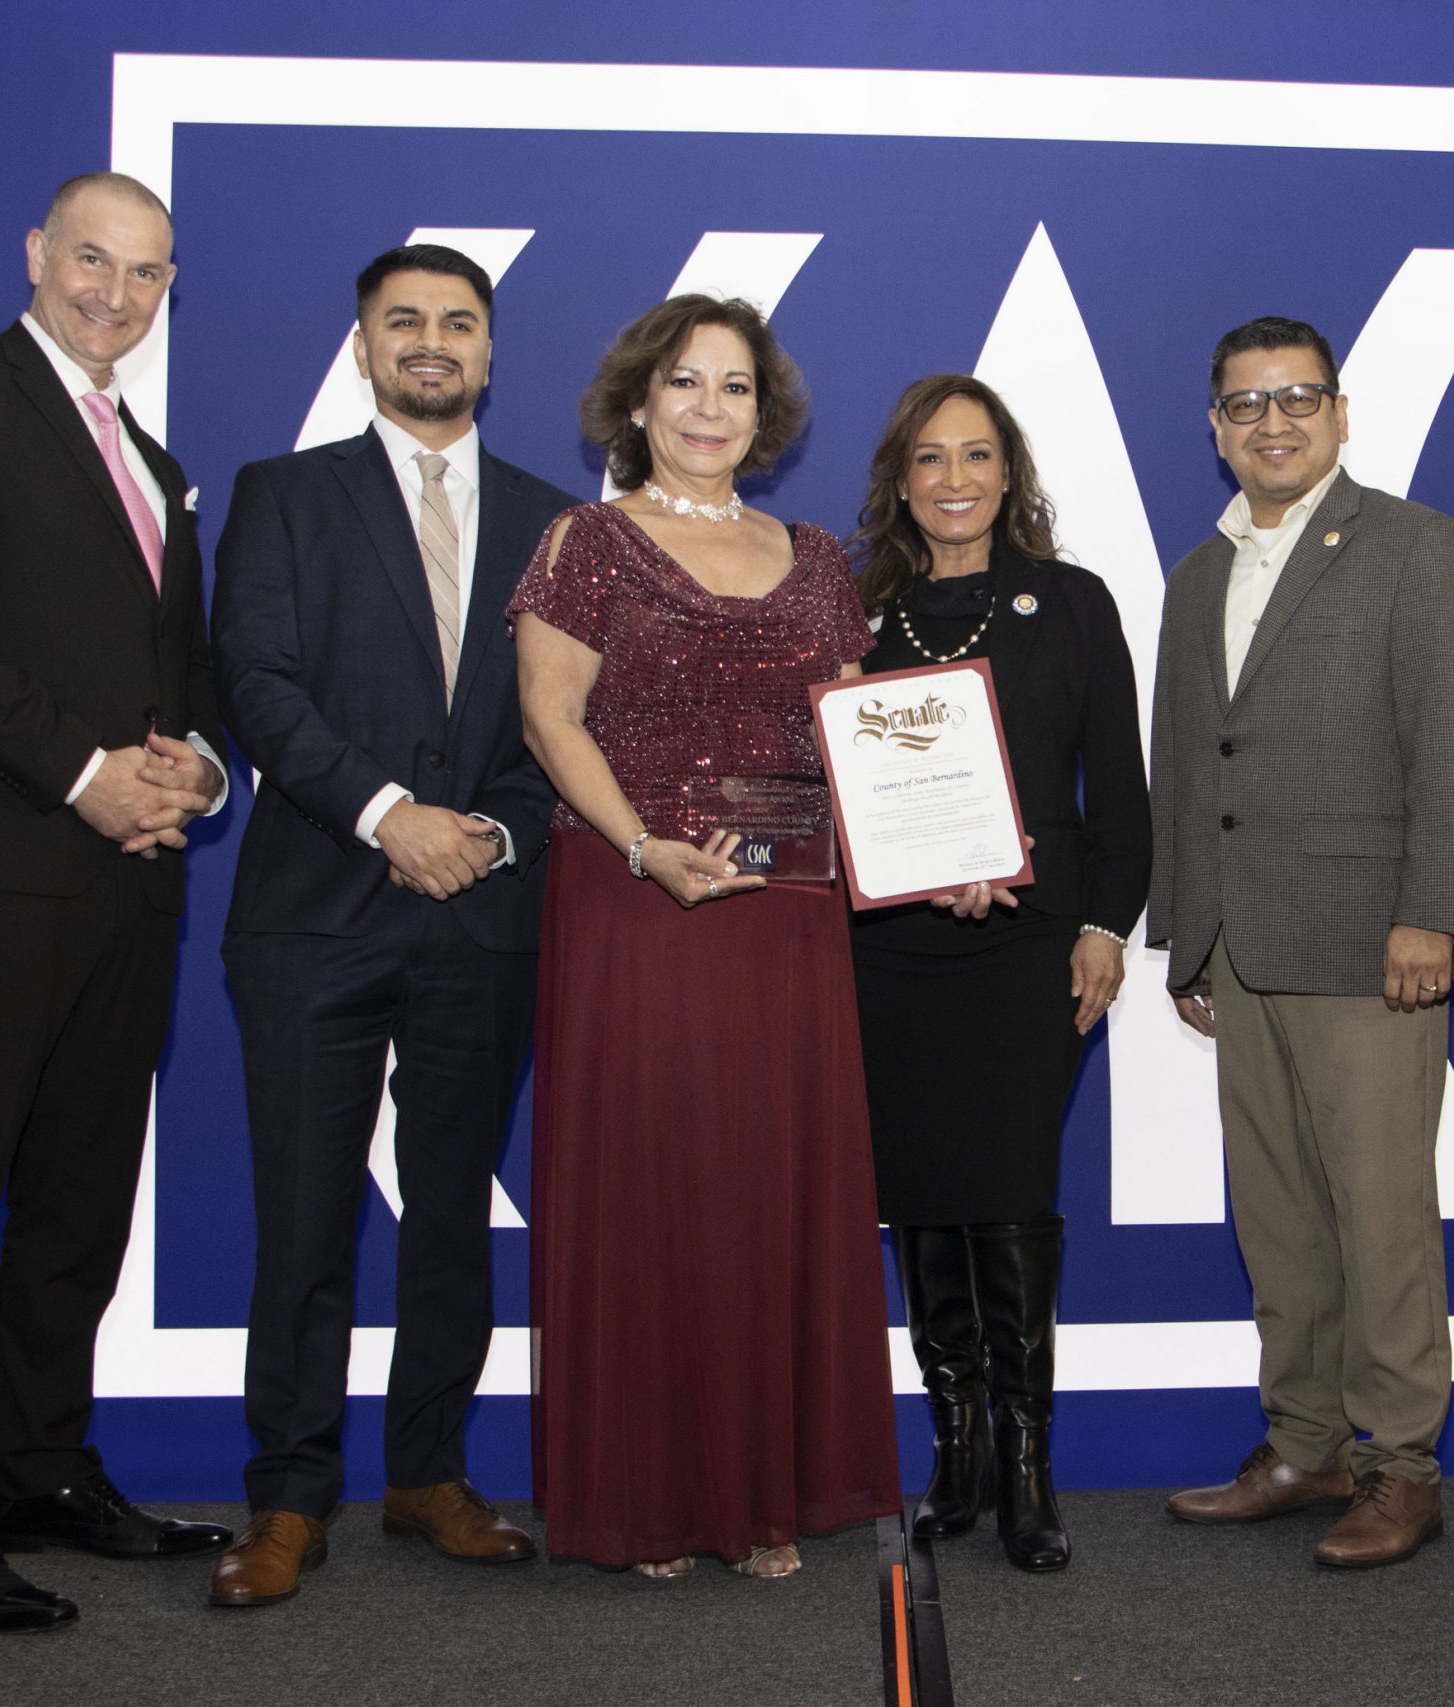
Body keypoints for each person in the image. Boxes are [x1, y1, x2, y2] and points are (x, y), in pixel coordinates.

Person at [0, 171, 233, 1632]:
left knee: (78, 1199)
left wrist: (190, 770)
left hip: (128, 886)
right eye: (91, 258)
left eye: (143, 273)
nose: (112, 292)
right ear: (36, 253)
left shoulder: (153, 458)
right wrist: (83, 774)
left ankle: (44, 1473)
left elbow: (174, 670)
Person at [205, 244, 576, 1606]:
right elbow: (256, 679)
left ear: (490, 352)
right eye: (402, 320)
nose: (431, 341)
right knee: (301, 1220)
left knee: (449, 1225)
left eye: (458, 324)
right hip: (315, 916)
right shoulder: (284, 497)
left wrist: (488, 831)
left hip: (482, 918)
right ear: (362, 346)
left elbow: (565, 727)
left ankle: (427, 1471)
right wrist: (387, 813)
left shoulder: (554, 525)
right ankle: (287, 1495)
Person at [509, 295, 900, 1577]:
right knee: (653, 1194)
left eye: (734, 388)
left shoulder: (819, 555)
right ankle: (654, 1498)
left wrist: (938, 849)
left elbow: (857, 738)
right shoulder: (587, 542)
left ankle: (761, 1493)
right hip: (639, 904)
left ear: (763, 415)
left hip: (787, 922)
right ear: (637, 401)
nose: (708, 409)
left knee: (765, 1198)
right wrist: (639, 847)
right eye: (684, 382)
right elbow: (551, 722)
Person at [1151, 316, 1454, 1569]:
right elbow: (1187, 764)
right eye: (1245, 405)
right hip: (1240, 948)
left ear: (1340, 414)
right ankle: (1305, 1447)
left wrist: (1431, 913)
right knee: (1282, 1218)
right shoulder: (1199, 573)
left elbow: (1453, 744)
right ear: (1216, 428)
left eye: (1296, 398)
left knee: (1383, 1216)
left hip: (1370, 942)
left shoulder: (1411, 545)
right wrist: (1187, 934)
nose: (1272, 422)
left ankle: (1402, 1466)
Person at [847, 375, 1150, 1573]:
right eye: (931, 459)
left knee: (1013, 1193)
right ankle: (955, 1453)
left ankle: (1030, 1470)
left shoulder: (1070, 602)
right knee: (921, 1195)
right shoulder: (855, 610)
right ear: (900, 479)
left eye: (978, 457)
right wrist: (907, 868)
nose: (955, 481)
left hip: (1033, 943)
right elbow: (829, 782)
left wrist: (1106, 925)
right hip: (889, 949)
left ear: (1010, 473)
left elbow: (1117, 789)